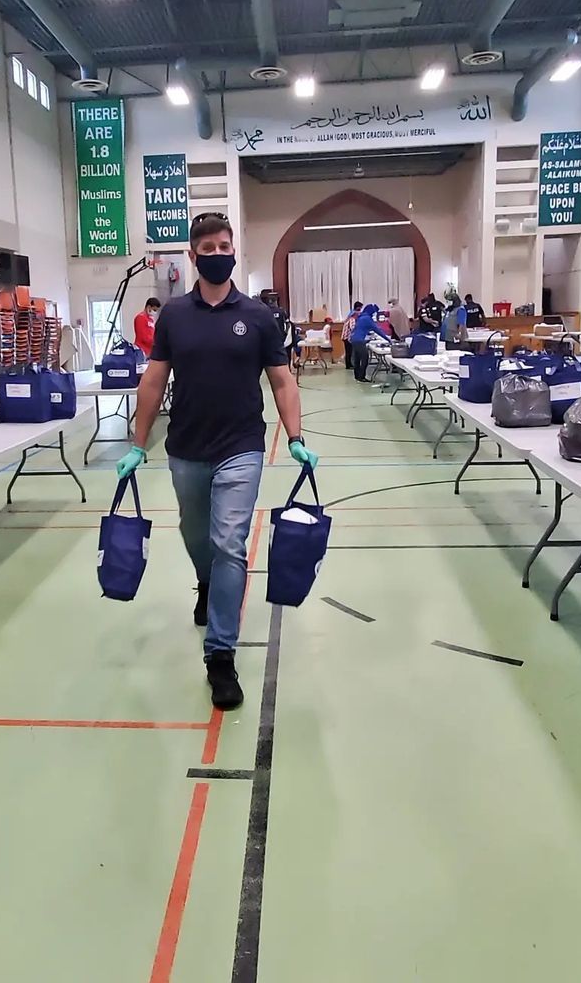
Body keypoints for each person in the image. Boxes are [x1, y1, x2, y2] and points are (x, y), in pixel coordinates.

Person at [115, 213, 317, 711]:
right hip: (185, 446)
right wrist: (138, 443)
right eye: (207, 247)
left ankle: (220, 655)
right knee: (195, 533)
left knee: (230, 544)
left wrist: (294, 436)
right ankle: (206, 582)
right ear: (193, 256)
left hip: (242, 446)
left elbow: (283, 380)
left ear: (234, 249)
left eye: (225, 245)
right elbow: (153, 381)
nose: (217, 252)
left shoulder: (258, 316)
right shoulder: (175, 317)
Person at [349, 303, 387, 382]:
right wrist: (388, 340)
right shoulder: (367, 319)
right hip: (359, 341)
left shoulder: (361, 317)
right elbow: (378, 330)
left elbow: (360, 328)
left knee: (357, 358)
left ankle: (357, 376)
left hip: (354, 339)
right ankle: (362, 377)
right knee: (365, 358)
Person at [341, 302, 363, 369]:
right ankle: (348, 365)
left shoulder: (350, 316)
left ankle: (349, 364)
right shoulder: (352, 319)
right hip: (347, 337)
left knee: (349, 352)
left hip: (345, 337)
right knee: (349, 352)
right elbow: (352, 328)